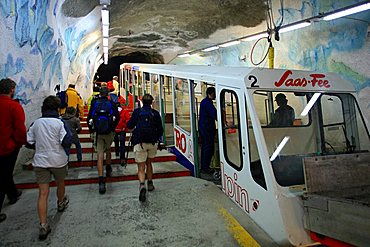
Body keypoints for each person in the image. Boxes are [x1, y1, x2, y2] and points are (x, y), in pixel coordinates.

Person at [27, 95, 70, 240]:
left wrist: (40, 147)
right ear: (57, 108)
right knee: (60, 183)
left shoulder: (36, 123)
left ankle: (43, 225)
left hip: (40, 161)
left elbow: (28, 141)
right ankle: (60, 202)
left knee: (43, 193)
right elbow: (67, 140)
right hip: (58, 160)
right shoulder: (60, 123)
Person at [126, 94, 163, 202]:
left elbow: (130, 125)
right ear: (151, 102)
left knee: (141, 167)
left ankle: (142, 185)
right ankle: (150, 183)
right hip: (152, 142)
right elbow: (160, 130)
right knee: (149, 163)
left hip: (139, 142)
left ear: (142, 101)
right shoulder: (155, 114)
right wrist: (156, 138)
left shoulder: (137, 112)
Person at [0, 78, 27, 223]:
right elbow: (20, 128)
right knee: (4, 175)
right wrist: (21, 142)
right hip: (7, 147)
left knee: (5, 172)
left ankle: (12, 194)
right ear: (11, 89)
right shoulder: (13, 106)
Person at [87, 87, 120, 194]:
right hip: (109, 131)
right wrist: (112, 127)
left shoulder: (95, 102)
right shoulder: (111, 103)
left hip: (98, 132)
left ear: (100, 94)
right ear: (108, 94)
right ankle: (109, 168)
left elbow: (89, 117)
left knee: (100, 154)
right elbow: (117, 117)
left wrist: (92, 129)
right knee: (109, 149)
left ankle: (101, 179)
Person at [198, 87, 217, 174]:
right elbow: (215, 115)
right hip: (207, 129)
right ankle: (205, 167)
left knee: (205, 147)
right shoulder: (208, 103)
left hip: (203, 128)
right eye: (214, 94)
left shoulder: (203, 102)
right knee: (208, 148)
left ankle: (204, 166)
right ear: (211, 94)